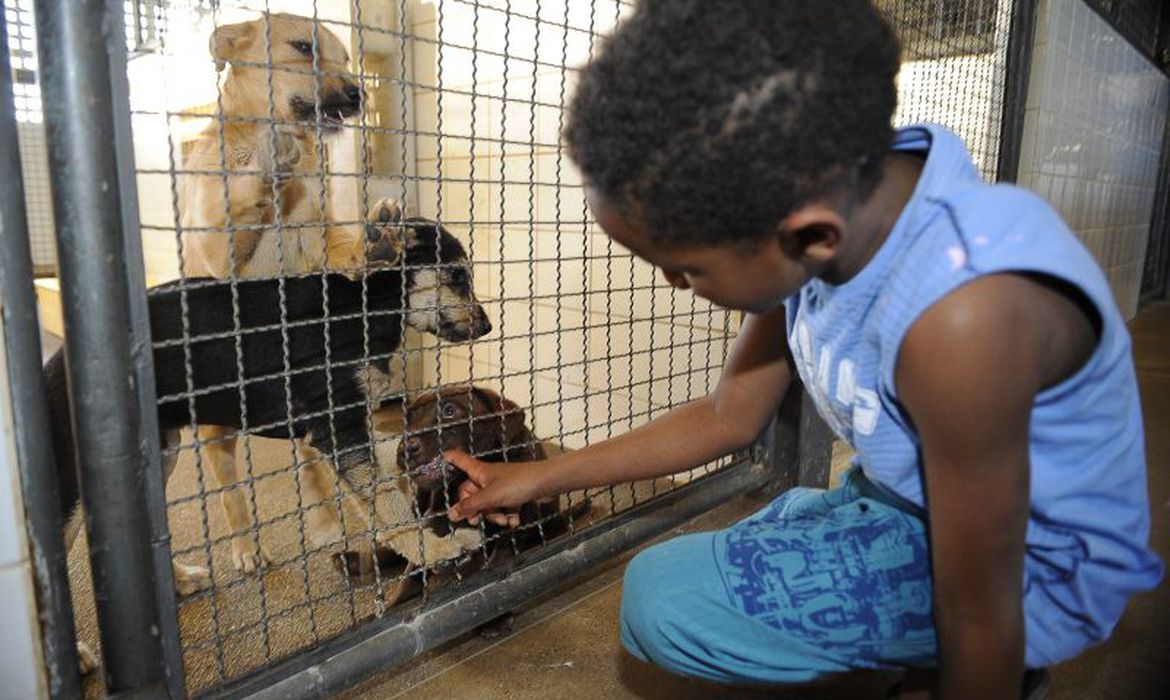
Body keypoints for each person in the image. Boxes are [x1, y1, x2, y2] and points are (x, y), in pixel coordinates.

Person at [443, 1, 1164, 697]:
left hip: (1034, 572)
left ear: (807, 233)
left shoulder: (962, 317)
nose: (677, 284)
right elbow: (728, 415)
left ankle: (996, 664)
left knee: (667, 600)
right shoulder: (835, 197)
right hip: (905, 500)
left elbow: (982, 605)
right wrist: (535, 478)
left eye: (687, 267)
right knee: (739, 550)